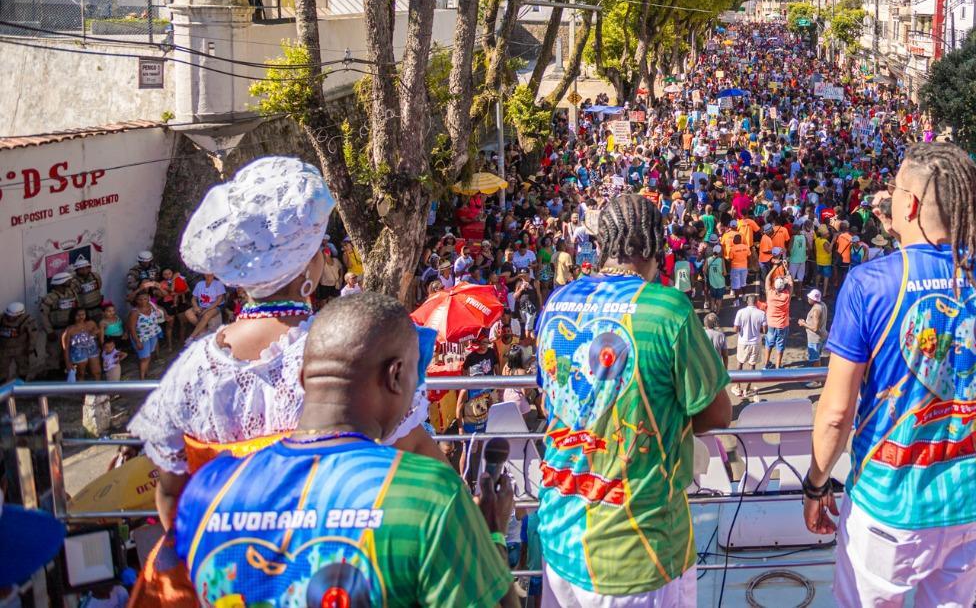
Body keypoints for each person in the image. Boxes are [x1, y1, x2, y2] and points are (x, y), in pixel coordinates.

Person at [127, 157, 437, 606]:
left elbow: (172, 491)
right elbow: (423, 461)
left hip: (230, 582)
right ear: (309, 270)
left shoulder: (192, 368)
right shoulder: (349, 354)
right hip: (337, 575)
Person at [174, 293, 519, 608]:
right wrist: (491, 536)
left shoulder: (208, 490)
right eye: (418, 376)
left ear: (303, 377)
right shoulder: (430, 495)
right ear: (396, 376)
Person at [805, 142, 976, 608]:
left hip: (889, 506)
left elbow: (837, 412)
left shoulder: (870, 283)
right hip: (969, 499)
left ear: (911, 204)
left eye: (893, 189)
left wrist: (817, 483)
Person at [534, 193, 731, 604]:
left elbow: (548, 401)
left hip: (559, 538)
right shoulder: (666, 310)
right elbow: (719, 412)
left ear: (601, 245)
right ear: (655, 245)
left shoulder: (556, 303)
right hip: (636, 552)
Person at [733, 294, 765, 397]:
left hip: (743, 342)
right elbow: (765, 330)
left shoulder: (740, 312)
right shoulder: (761, 313)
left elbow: (735, 329)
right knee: (752, 365)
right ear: (757, 302)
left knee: (740, 363)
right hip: (756, 342)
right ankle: (747, 389)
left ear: (747, 302)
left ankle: (738, 388)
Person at [60, 306, 102, 381]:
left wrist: (96, 332)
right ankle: (82, 391)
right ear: (73, 316)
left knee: (97, 371)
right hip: (78, 353)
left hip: (92, 349)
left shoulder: (91, 323)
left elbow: (99, 333)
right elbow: (66, 348)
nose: (81, 317)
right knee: (80, 374)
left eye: (83, 314)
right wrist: (67, 363)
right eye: (78, 315)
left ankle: (98, 389)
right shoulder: (69, 330)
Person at [802, 288, 829, 364]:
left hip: (815, 339)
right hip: (823, 335)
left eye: (809, 298)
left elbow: (815, 328)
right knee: (818, 357)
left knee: (815, 360)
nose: (808, 298)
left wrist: (803, 324)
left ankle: (817, 374)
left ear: (813, 299)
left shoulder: (815, 311)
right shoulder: (823, 304)